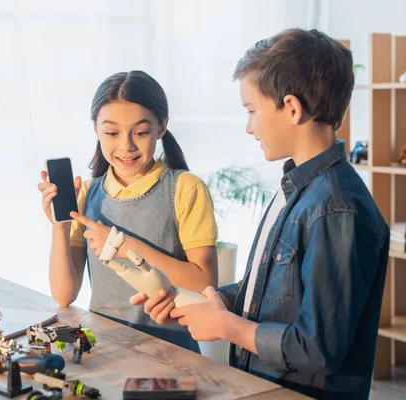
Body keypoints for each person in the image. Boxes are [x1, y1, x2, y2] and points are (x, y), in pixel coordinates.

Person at [131, 29, 390, 399]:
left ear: (292, 108)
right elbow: (270, 293)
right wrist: (199, 303)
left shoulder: (336, 209)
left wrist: (226, 326)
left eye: (252, 111)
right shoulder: (297, 189)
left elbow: (317, 348)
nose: (249, 127)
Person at [38, 70, 218, 353]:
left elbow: (205, 283)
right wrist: (59, 227)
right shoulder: (86, 194)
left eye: (141, 132)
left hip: (171, 355)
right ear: (96, 130)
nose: (126, 145)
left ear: (162, 127)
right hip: (104, 352)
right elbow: (63, 294)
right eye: (111, 132)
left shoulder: (185, 188)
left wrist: (124, 246)